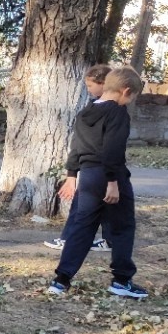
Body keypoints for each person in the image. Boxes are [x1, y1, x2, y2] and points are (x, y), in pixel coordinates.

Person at [47, 66, 147, 299]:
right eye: (131, 97)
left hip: (88, 176)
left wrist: (71, 176)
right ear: (125, 91)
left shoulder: (86, 112)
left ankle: (61, 280)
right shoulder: (117, 113)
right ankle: (122, 281)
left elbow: (76, 148)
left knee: (82, 227)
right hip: (111, 176)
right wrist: (113, 182)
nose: (129, 101)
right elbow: (113, 149)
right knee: (122, 227)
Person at [44, 63, 113, 253]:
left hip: (94, 167)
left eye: (90, 86)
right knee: (106, 203)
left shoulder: (94, 112)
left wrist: (72, 173)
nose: (88, 90)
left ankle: (69, 239)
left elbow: (78, 144)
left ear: (103, 84)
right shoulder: (112, 109)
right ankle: (110, 239)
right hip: (104, 167)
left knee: (82, 207)